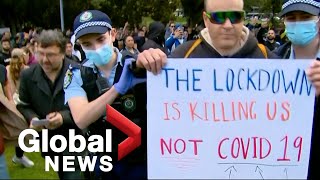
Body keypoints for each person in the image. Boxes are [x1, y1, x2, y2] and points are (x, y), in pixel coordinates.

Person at [64, 10, 152, 179]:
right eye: (87, 44)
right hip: (103, 160)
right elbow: (81, 118)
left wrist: (152, 59)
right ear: (79, 45)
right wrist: (116, 90)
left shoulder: (136, 63)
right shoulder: (77, 74)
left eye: (100, 40)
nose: (96, 49)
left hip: (139, 159)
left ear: (112, 34)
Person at [16, 30, 84, 179]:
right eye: (40, 53)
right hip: (49, 143)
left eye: (50, 55)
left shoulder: (78, 72)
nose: (44, 60)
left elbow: (88, 106)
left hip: (76, 139)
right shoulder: (27, 75)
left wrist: (63, 117)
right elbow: (23, 105)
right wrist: (33, 118)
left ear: (62, 53)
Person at [274, 0, 320, 179]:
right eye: (292, 18)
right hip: (283, 163)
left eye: (306, 17)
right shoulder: (271, 61)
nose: (298, 23)